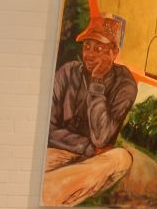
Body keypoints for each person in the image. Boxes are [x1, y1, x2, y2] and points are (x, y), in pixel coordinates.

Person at [47, 16, 138, 163]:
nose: (89, 54)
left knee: (122, 159)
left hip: (95, 162)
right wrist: (87, 146)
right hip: (61, 151)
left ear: (113, 53)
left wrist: (97, 81)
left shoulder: (125, 84)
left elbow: (101, 138)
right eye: (87, 46)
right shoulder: (68, 72)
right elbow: (47, 129)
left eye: (98, 49)